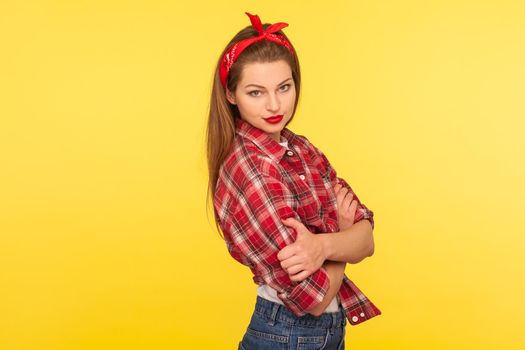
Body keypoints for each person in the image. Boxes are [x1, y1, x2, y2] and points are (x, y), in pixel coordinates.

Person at [206, 12, 381, 350]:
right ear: (231, 95)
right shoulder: (252, 171)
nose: (275, 104)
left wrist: (324, 246)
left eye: (284, 87)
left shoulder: (299, 148)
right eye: (256, 93)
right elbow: (312, 298)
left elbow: (367, 239)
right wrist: (341, 238)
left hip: (323, 333)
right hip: (288, 334)